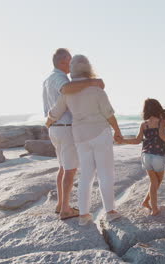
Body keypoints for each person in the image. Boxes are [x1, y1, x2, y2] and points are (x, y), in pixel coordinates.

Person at [47, 54, 123, 226]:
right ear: (88, 67)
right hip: (100, 133)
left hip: (80, 136)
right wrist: (117, 132)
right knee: (105, 173)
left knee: (86, 175)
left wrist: (48, 122)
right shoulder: (96, 88)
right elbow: (109, 114)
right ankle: (110, 212)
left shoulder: (68, 91)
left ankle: (83, 215)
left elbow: (56, 111)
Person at [42, 48, 104, 220]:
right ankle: (65, 210)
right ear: (62, 62)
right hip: (64, 127)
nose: (72, 64)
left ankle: (61, 204)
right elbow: (67, 89)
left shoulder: (47, 80)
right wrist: (92, 83)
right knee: (70, 170)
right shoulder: (59, 78)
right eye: (69, 60)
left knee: (63, 167)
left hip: (55, 127)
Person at [121, 98, 165, 216]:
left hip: (145, 155)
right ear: (158, 107)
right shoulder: (161, 121)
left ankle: (146, 202)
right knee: (157, 181)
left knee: (153, 181)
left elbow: (137, 140)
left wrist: (122, 140)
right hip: (158, 155)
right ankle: (154, 208)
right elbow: (162, 135)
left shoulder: (144, 124)